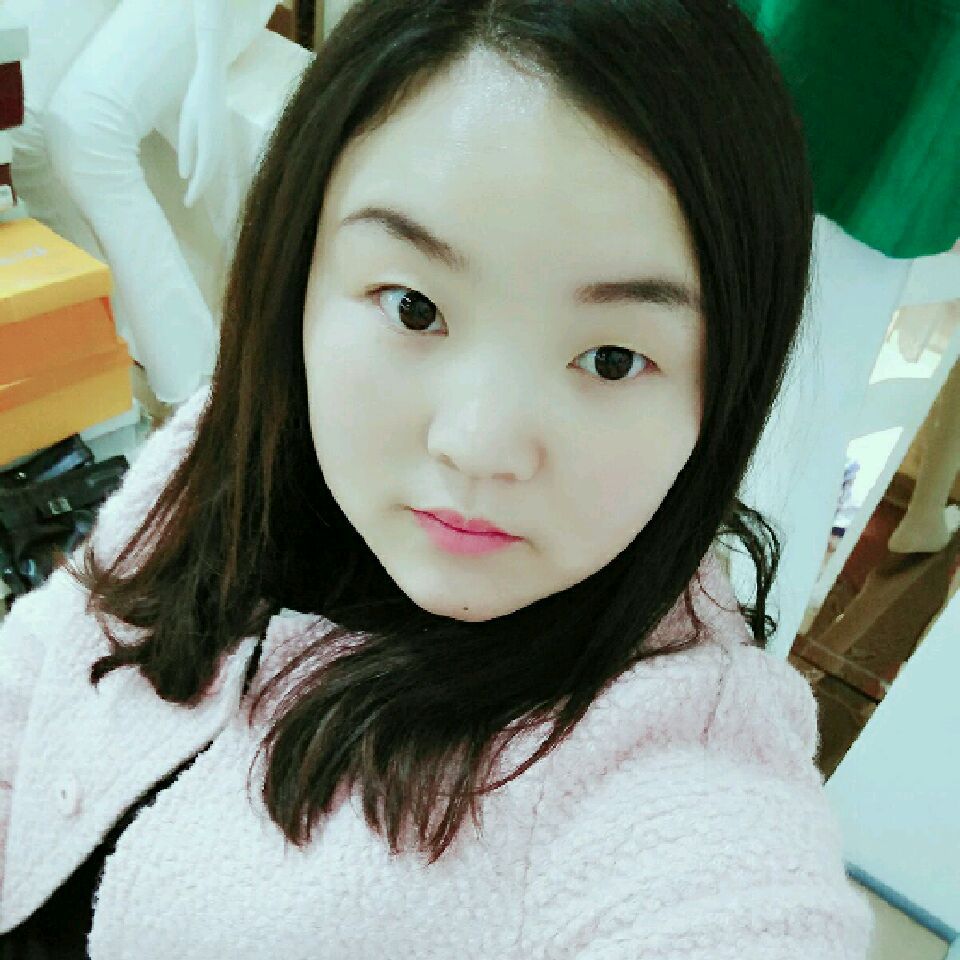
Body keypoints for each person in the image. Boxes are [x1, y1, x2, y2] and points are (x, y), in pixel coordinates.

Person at [0, 1, 875, 957]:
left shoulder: (676, 794)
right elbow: (39, 673)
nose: (478, 445)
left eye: (612, 359)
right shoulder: (232, 441)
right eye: (414, 307)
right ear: (300, 271)